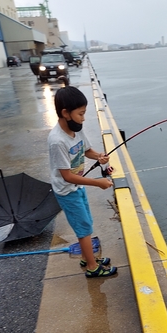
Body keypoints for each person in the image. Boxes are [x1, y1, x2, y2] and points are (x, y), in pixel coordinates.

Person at [48, 85, 117, 278]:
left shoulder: (76, 128)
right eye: (81, 114)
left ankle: (87, 257)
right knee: (83, 227)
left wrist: (99, 157)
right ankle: (93, 267)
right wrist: (98, 182)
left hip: (77, 187)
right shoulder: (57, 141)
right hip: (67, 190)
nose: (84, 118)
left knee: (86, 221)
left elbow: (86, 150)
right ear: (65, 113)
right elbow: (67, 176)